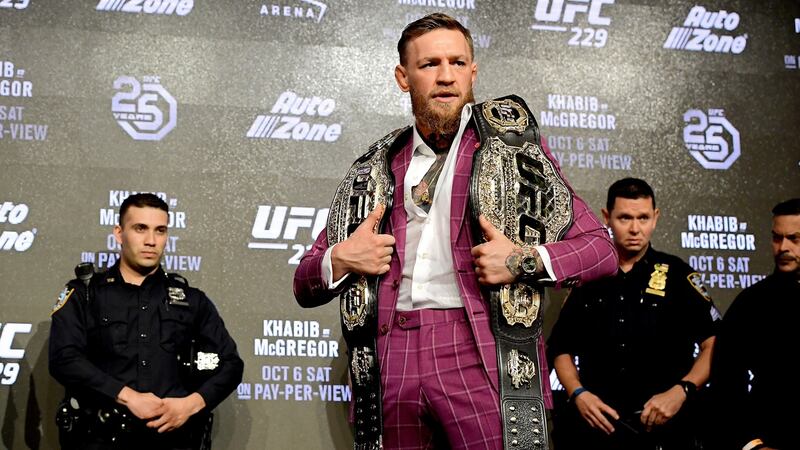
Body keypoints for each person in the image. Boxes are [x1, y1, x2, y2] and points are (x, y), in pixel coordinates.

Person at [293, 13, 617, 450]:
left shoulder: (514, 153)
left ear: (473, 72)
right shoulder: (374, 167)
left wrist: (522, 260)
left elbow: (600, 250)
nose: (446, 76)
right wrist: (342, 258)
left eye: (457, 63)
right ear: (403, 77)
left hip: (480, 351)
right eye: (429, 64)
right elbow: (304, 281)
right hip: (391, 357)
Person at [49, 193, 244, 450]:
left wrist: (190, 404)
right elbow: (64, 359)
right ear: (119, 233)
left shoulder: (191, 300)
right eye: (140, 228)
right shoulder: (85, 294)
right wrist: (127, 397)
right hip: (100, 439)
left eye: (160, 230)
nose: (151, 240)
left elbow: (231, 364)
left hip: (174, 442)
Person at [547, 177, 720, 450]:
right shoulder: (589, 277)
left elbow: (714, 344)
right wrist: (578, 393)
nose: (635, 229)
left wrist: (682, 391)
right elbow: (561, 347)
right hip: (598, 433)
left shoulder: (678, 274)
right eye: (625, 218)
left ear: (656, 217)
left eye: (643, 218)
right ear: (607, 217)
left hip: (668, 433)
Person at [709, 198, 800, 450]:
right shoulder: (751, 303)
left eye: (794, 239)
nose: (783, 247)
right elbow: (725, 386)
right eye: (777, 238)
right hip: (771, 438)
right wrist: (752, 445)